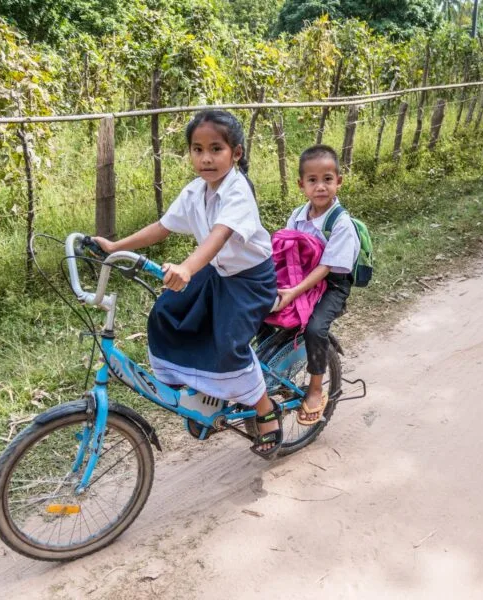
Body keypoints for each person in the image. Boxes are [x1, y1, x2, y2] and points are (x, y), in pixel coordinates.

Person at [93, 110, 282, 458]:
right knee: (167, 313)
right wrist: (115, 246)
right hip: (214, 272)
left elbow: (218, 237)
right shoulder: (196, 191)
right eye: (197, 149)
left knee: (229, 343)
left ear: (235, 153)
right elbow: (163, 226)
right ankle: (200, 391)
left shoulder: (237, 191)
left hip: (248, 280)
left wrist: (188, 268)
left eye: (215, 149)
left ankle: (264, 410)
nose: (206, 158)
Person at [273, 145, 360, 426]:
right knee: (264, 313)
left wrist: (293, 293)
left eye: (327, 179)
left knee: (315, 328)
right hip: (300, 281)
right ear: (301, 185)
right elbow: (287, 253)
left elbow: (326, 267)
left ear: (339, 181)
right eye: (312, 180)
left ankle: (315, 387)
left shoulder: (341, 223)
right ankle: (270, 372)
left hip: (332, 284)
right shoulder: (298, 216)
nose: (320, 186)